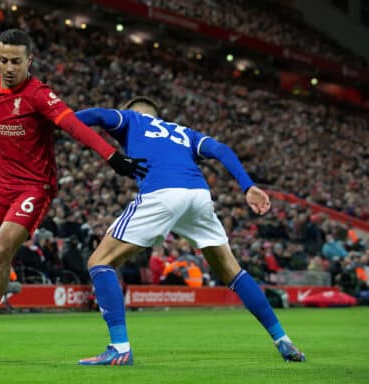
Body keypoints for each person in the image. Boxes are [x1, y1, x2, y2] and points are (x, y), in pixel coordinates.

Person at [0, 29, 147, 360]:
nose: (9, 67)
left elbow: (73, 126)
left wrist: (112, 156)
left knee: (2, 245)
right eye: (3, 60)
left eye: (16, 62)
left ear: (29, 61)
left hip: (34, 187)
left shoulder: (39, 95)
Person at [74, 96, 305, 365]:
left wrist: (59, 120)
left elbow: (99, 115)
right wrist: (248, 186)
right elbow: (221, 150)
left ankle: (120, 348)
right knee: (232, 271)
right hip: (198, 195)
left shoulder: (130, 119)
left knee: (99, 262)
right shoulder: (184, 132)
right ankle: (283, 340)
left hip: (163, 191)